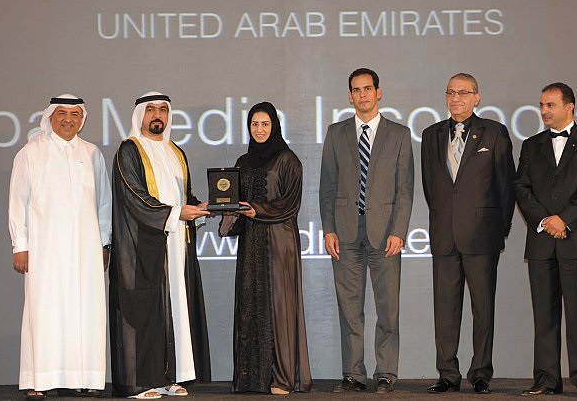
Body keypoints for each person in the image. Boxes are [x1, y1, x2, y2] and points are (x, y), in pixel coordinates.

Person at [8, 94, 112, 401]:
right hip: (45, 248)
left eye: (75, 114)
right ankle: (39, 377)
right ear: (51, 116)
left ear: (83, 119)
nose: (69, 119)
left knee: (85, 310)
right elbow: (18, 201)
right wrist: (20, 245)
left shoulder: (92, 153)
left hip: (86, 249)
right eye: (62, 113)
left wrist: (105, 242)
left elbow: (103, 201)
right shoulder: (31, 152)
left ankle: (83, 377)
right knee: (45, 311)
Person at [109, 92, 211, 399]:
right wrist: (177, 213)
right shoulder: (129, 150)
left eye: (163, 110)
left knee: (174, 310)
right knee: (144, 312)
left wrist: (202, 207)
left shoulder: (175, 152)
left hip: (177, 244)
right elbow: (134, 196)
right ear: (140, 114)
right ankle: (139, 383)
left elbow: (184, 196)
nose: (158, 114)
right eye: (151, 109)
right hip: (142, 247)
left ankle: (169, 376)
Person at [319, 68, 414, 394]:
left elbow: (405, 190)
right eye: (356, 90)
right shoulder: (336, 133)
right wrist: (328, 229)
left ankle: (386, 372)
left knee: (388, 308)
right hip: (345, 233)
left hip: (384, 233)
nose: (362, 95)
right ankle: (354, 374)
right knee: (350, 309)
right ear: (350, 96)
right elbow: (327, 187)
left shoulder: (399, 134)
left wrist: (399, 231)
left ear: (378, 92)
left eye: (367, 89)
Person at [421, 73, 515, 394]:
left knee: (482, 309)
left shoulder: (494, 132)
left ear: (477, 97)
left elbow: (505, 186)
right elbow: (431, 188)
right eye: (450, 92)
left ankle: (480, 373)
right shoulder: (431, 135)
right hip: (445, 235)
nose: (455, 98)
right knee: (445, 310)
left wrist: (499, 231)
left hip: (482, 236)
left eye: (462, 92)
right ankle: (448, 373)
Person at [515, 83, 577, 398]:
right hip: (542, 242)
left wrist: (564, 219)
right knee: (544, 314)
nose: (544, 111)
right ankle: (546, 380)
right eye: (541, 105)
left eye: (550, 105)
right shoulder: (531, 145)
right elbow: (522, 188)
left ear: (570, 107)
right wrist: (545, 221)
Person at [219, 101, 312, 395]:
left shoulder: (288, 159)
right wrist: (227, 212)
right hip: (251, 243)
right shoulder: (242, 162)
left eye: (265, 124)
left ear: (274, 126)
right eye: (254, 125)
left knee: (279, 307)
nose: (259, 130)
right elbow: (233, 198)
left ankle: (281, 378)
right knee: (250, 303)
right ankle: (251, 378)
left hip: (278, 241)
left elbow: (289, 204)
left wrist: (255, 210)